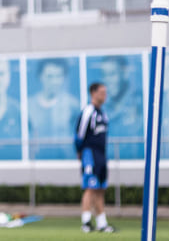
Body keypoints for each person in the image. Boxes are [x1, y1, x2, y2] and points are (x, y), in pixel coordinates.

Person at [75, 82, 115, 233]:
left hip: (101, 155)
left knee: (100, 189)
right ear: (93, 93)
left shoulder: (103, 114)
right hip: (89, 154)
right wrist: (80, 152)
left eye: (105, 92)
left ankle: (101, 223)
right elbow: (79, 134)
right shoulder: (88, 111)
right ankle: (86, 222)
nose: (104, 95)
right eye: (102, 92)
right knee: (90, 187)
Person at [28, 58, 81, 159]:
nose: (54, 81)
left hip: (66, 159)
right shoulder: (29, 105)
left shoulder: (72, 104)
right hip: (38, 160)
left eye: (58, 76)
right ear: (40, 77)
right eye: (49, 76)